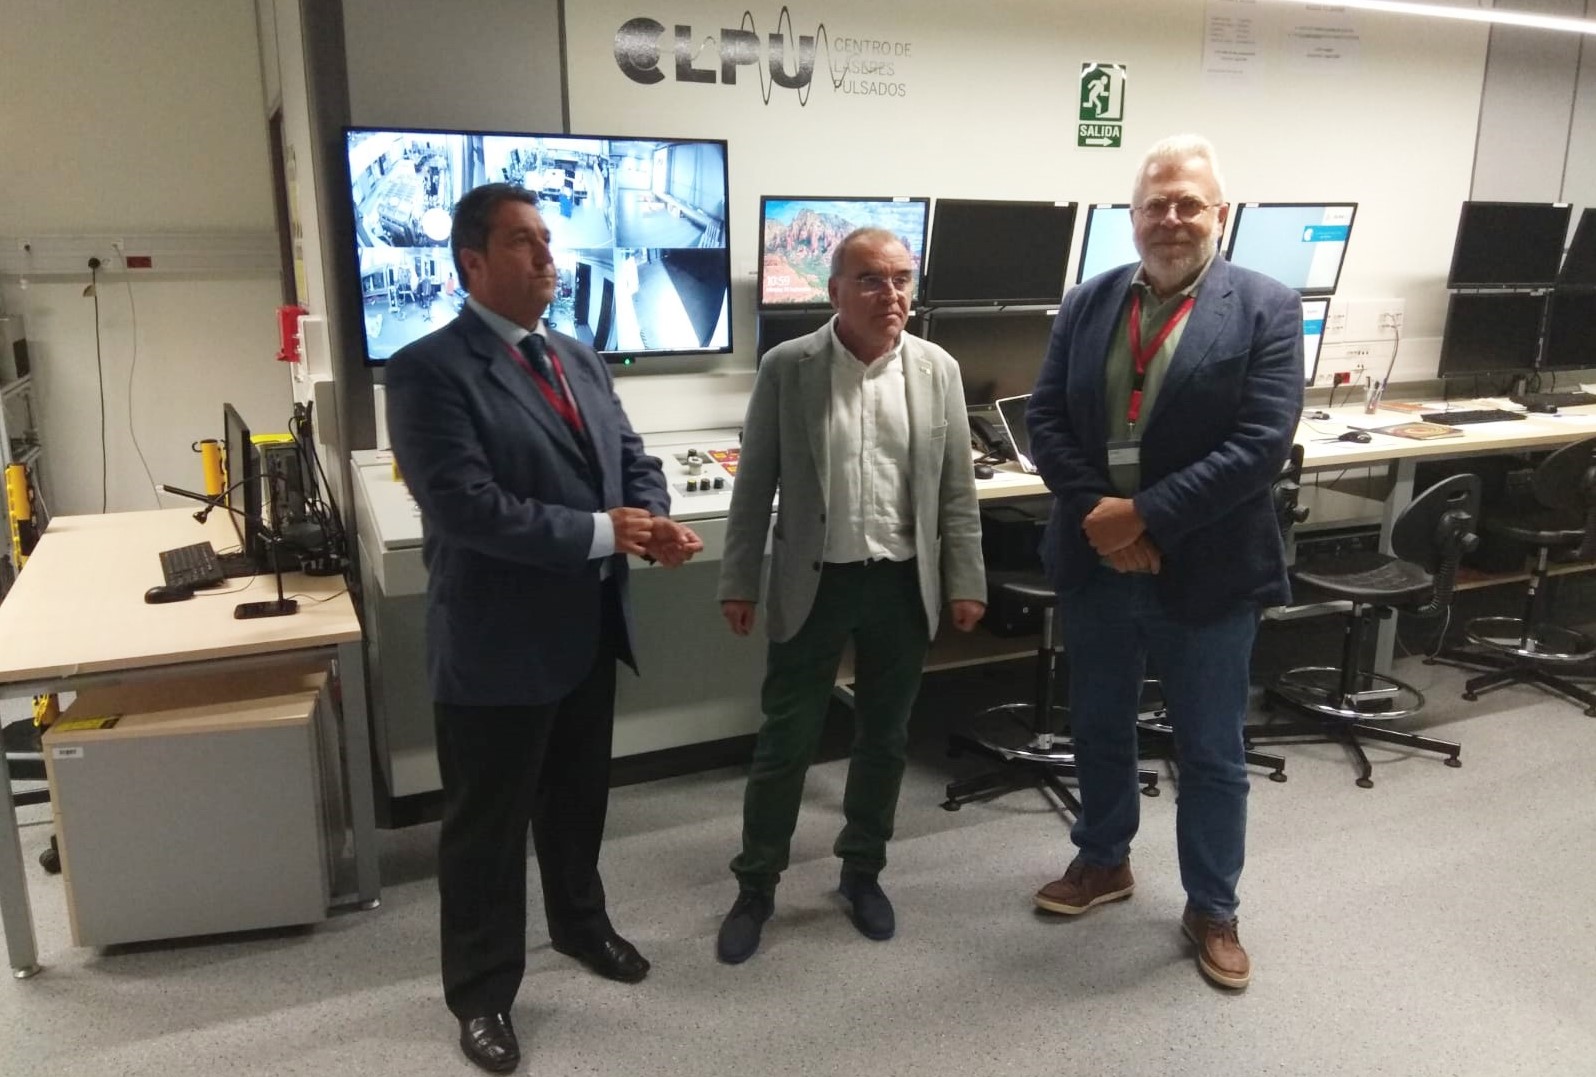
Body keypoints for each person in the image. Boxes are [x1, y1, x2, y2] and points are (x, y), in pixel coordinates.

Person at [385, 182, 702, 1073]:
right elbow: (465, 506)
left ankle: (580, 925)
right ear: (472, 262)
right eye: (523, 242)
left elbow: (629, 456)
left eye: (546, 240)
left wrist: (653, 518)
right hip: (496, 639)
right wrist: (606, 531)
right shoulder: (426, 371)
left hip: (586, 626)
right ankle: (482, 992)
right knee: (486, 832)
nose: (547, 257)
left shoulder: (577, 354)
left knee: (576, 801)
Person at [1025, 134, 1302, 990]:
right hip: (1098, 563)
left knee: (1210, 748)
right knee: (1098, 723)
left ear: (1220, 213)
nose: (1171, 219)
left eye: (1189, 204)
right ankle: (1103, 858)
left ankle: (1213, 905)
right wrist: (1100, 516)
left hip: (1207, 569)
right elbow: (1045, 419)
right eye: (1156, 205)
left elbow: (1260, 444)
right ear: (1133, 215)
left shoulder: (1266, 307)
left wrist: (1141, 515)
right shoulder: (1089, 301)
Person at [714, 227, 987, 964]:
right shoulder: (788, 367)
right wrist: (738, 580)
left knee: (884, 739)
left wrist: (965, 580)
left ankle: (862, 870)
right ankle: (756, 883)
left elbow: (957, 491)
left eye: (900, 279)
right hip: (815, 582)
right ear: (833, 291)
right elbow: (754, 483)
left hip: (901, 583)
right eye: (869, 279)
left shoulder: (936, 369)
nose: (889, 294)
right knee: (786, 740)